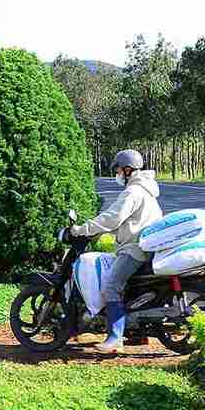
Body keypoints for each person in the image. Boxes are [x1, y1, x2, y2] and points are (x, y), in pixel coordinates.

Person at [69, 149, 163, 354]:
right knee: (129, 290)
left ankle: (114, 339)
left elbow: (112, 218)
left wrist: (82, 230)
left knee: (111, 287)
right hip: (142, 246)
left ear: (128, 170)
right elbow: (123, 221)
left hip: (134, 249)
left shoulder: (133, 192)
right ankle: (138, 333)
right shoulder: (145, 190)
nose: (118, 173)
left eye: (119, 169)